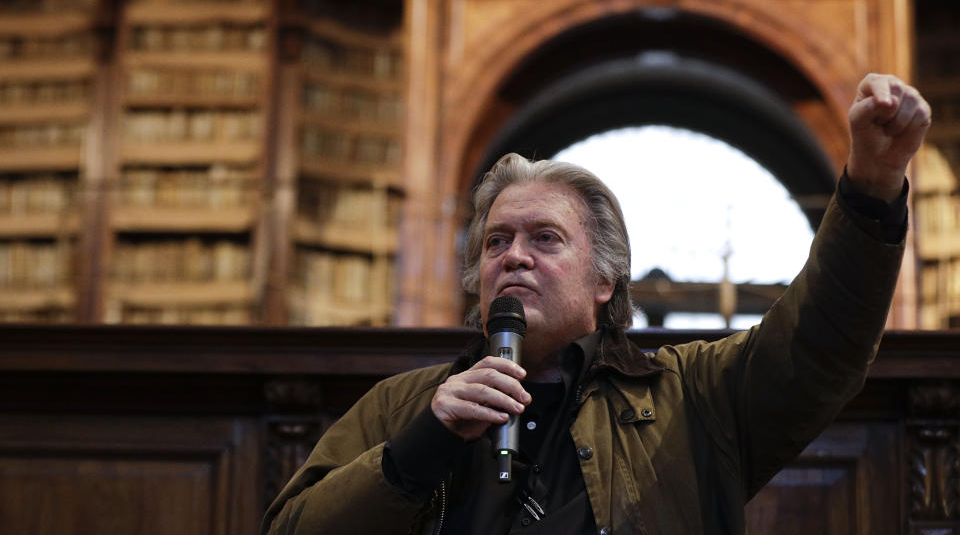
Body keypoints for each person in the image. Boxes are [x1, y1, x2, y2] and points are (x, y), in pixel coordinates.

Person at [262, 73, 931, 534]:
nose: (514, 256)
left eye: (544, 239)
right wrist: (418, 447)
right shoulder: (404, 406)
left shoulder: (694, 395)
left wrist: (872, 184)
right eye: (497, 241)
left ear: (605, 279)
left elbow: (822, 342)